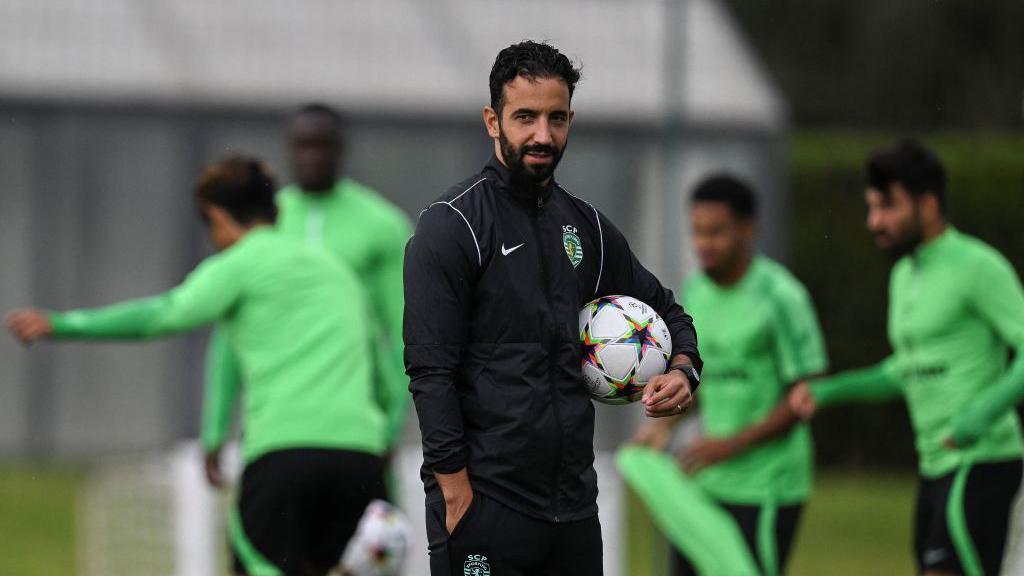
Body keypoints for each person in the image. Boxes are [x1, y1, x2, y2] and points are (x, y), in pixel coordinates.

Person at [403, 40, 703, 576]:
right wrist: (455, 497)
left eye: (556, 118)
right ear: (493, 121)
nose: (543, 135)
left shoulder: (585, 226)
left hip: (573, 510)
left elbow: (667, 311)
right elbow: (430, 372)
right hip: (486, 505)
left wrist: (684, 369)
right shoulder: (452, 226)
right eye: (526, 117)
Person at [6, 156, 388, 576]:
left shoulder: (241, 265)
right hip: (360, 459)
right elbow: (385, 371)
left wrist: (63, 325)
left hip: (285, 457)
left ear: (218, 215)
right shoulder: (337, 271)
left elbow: (163, 315)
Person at [789, 139, 1024, 576]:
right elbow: (907, 368)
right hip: (935, 464)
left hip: (982, 461)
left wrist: (981, 415)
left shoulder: (977, 266)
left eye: (887, 207)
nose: (874, 221)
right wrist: (831, 391)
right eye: (871, 207)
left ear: (928, 204)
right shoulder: (903, 275)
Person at [201, 104, 412, 498]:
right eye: (302, 145)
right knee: (269, 554)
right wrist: (215, 426)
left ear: (341, 149)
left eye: (322, 145)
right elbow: (231, 331)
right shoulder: (266, 225)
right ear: (287, 150)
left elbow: (407, 333)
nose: (311, 156)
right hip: (277, 423)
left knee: (368, 553)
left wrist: (390, 423)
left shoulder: (381, 227)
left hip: (355, 426)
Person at [632, 174, 827, 576]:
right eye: (698, 232)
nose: (704, 243)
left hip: (767, 489)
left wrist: (729, 446)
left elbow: (807, 395)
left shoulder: (781, 297)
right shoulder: (697, 292)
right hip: (705, 484)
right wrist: (666, 426)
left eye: (716, 232)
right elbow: (706, 380)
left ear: (746, 228)